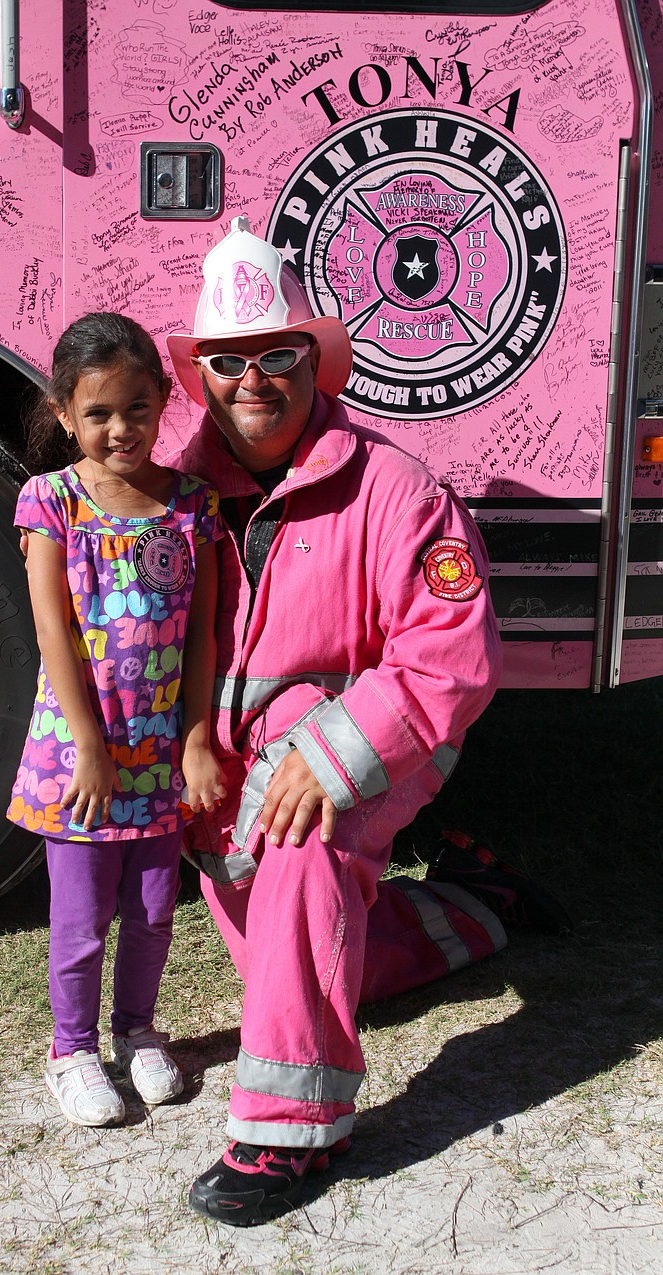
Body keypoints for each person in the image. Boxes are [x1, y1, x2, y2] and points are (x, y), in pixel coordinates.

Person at [163, 217, 570, 1225]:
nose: (252, 379)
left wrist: (335, 760)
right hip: (232, 756)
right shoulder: (171, 494)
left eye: (276, 355)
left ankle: (284, 1139)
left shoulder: (397, 487)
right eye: (228, 360)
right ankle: (475, 907)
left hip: (375, 735)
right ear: (201, 370)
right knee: (293, 962)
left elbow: (450, 658)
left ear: (315, 360)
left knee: (304, 850)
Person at [7, 312, 226, 1128]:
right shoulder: (51, 500)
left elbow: (204, 632)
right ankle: (71, 1049)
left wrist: (197, 738)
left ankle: (137, 1031)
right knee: (80, 918)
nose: (120, 427)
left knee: (155, 909)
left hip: (161, 757)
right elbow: (52, 629)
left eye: (136, 407)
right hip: (82, 759)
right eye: (97, 413)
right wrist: (90, 749)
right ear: (65, 414)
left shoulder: (193, 506)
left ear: (163, 401)